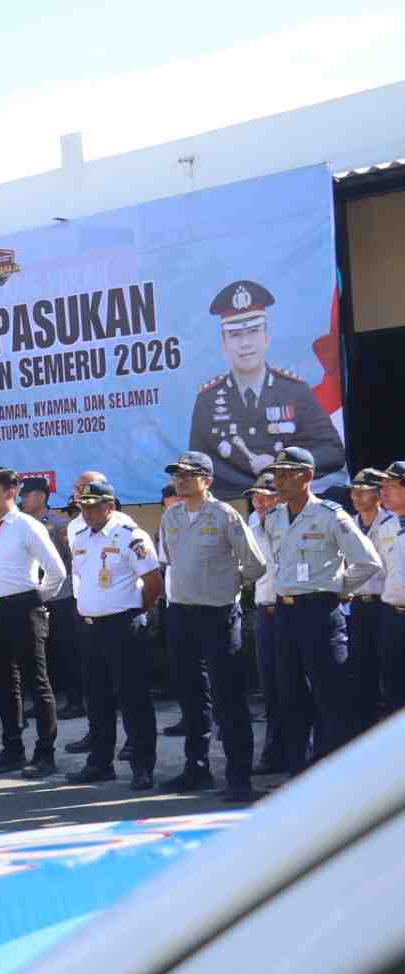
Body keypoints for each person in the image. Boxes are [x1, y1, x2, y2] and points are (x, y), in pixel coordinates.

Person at [157, 450, 268, 800]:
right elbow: (169, 561)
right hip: (181, 614)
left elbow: (255, 565)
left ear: (207, 480)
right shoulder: (171, 516)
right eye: (177, 475)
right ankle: (196, 769)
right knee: (191, 696)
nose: (181, 480)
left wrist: (228, 583)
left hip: (217, 615)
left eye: (188, 475)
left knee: (228, 697)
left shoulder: (225, 515)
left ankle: (239, 778)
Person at [264, 447, 381, 769]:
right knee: (289, 694)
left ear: (307, 476)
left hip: (319, 612)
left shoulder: (330, 515)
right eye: (277, 474)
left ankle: (335, 771)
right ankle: (297, 769)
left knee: (330, 695)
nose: (279, 480)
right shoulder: (273, 518)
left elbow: (368, 562)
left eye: (287, 474)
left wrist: (336, 589)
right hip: (285, 613)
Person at [189, 280, 345, 496]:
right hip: (237, 505)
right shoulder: (208, 400)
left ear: (266, 337)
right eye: (235, 335)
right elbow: (198, 467)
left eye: (253, 331)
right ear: (224, 343)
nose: (245, 343)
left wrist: (282, 468)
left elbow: (333, 452)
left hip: (291, 500)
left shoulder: (295, 391)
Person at [65, 482, 164, 791]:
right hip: (90, 627)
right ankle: (100, 763)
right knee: (97, 699)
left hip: (122, 627)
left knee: (133, 698)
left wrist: (134, 610)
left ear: (109, 506)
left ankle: (142, 766)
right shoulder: (81, 537)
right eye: (83, 506)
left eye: (94, 506)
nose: (88, 512)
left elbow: (153, 583)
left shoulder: (130, 536)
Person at [0, 467, 67, 778]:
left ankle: (45, 754)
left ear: (10, 492)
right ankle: (12, 749)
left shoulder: (27, 526)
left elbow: (56, 571)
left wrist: (35, 600)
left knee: (36, 683)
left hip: (23, 608)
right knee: (4, 683)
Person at [20, 477, 81, 720]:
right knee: (44, 654)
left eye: (26, 495)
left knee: (68, 651)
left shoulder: (59, 524)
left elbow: (73, 560)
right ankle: (46, 703)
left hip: (62, 596)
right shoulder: (22, 525)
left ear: (41, 496)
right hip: (35, 596)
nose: (22, 500)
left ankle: (76, 701)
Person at [245, 472, 292, 775]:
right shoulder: (250, 527)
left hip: (291, 610)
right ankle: (274, 752)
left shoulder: (293, 524)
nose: (260, 503)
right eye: (256, 498)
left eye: (267, 497)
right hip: (264, 610)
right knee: (270, 686)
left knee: (295, 684)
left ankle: (304, 751)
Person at [347, 469, 396, 733]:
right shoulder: (348, 524)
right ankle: (365, 729)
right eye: (354, 491)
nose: (356, 497)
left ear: (378, 494)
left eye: (363, 491)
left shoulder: (392, 521)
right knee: (361, 668)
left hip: (385, 604)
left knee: (389, 668)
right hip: (357, 604)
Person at [378, 461, 405, 719]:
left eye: (391, 485)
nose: (383, 492)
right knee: (394, 687)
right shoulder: (385, 526)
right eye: (382, 486)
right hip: (393, 616)